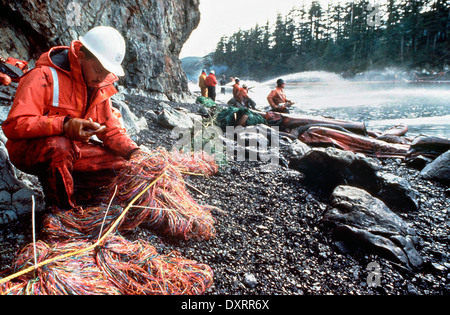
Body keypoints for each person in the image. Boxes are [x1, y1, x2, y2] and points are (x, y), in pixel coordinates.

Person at [2, 26, 142, 210]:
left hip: (72, 151)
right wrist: (65, 125)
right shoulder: (43, 75)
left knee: (125, 166)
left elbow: (112, 131)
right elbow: (14, 125)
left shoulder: (98, 85)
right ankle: (63, 212)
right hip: (30, 150)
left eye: (107, 72)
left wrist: (134, 153)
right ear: (82, 57)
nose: (102, 77)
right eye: (98, 69)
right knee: (59, 147)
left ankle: (75, 188)